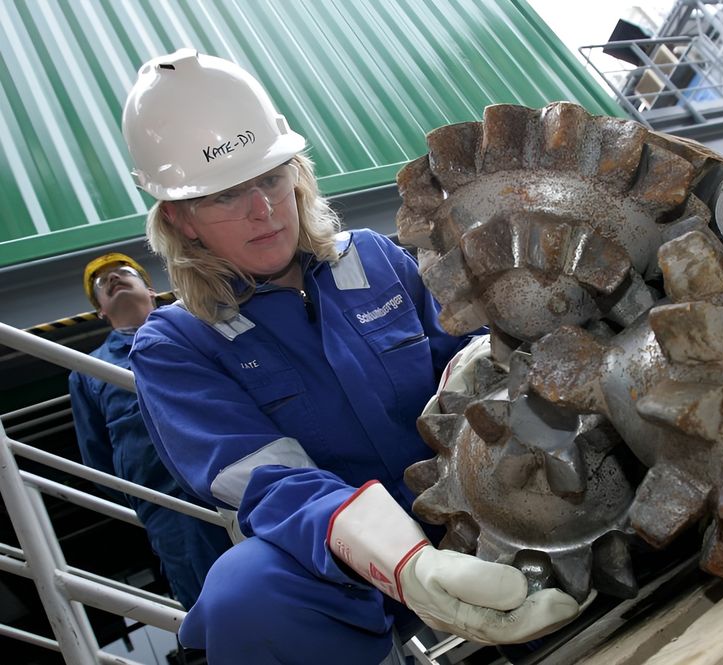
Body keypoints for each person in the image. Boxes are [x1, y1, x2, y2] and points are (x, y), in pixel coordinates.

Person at [120, 49, 581, 664]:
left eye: (269, 178)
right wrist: (405, 562)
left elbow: (469, 367)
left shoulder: (373, 258)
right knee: (243, 594)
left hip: (468, 501)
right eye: (226, 196)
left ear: (296, 174)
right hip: (341, 556)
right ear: (180, 218)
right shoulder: (177, 344)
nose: (262, 209)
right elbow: (268, 481)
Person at [68, 253, 233, 610]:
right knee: (213, 601)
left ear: (153, 290)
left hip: (234, 474)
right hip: (168, 503)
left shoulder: (197, 329)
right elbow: (97, 459)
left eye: (123, 272)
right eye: (102, 283)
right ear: (100, 311)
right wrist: (147, 498)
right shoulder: (87, 370)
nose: (113, 278)